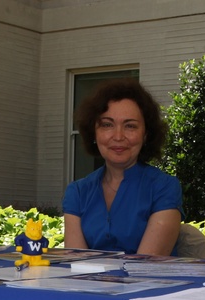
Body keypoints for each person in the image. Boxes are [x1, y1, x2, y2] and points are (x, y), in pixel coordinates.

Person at [63, 79, 182, 255]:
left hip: (145, 281)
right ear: (93, 132)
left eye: (130, 126)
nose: (118, 136)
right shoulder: (77, 192)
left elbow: (145, 267)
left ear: (146, 134)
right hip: (87, 282)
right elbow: (76, 265)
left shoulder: (164, 188)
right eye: (107, 125)